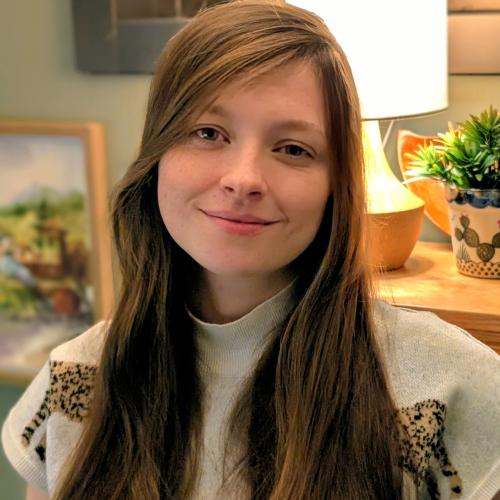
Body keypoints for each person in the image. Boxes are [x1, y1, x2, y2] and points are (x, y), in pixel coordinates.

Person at [2, 1, 500, 499]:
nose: (243, 180)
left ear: (336, 186)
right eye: (207, 133)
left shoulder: (452, 386)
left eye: (293, 149)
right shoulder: (72, 381)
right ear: (157, 155)